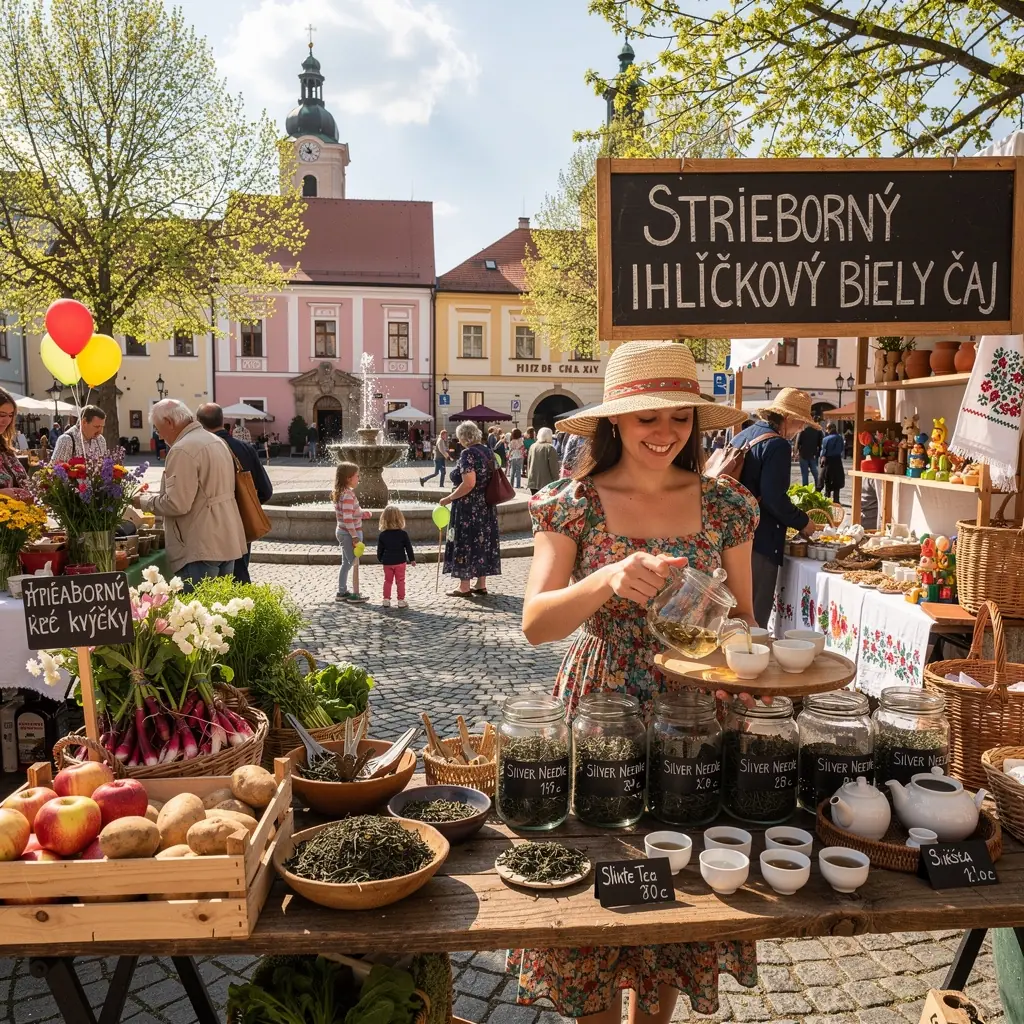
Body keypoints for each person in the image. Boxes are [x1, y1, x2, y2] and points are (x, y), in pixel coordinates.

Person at [518, 341, 756, 1024]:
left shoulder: (727, 504)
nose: (665, 432)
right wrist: (606, 579)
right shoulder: (574, 504)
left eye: (680, 417)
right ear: (615, 421)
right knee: (599, 876)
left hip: (695, 708)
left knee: (676, 885)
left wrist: (741, 660)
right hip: (601, 702)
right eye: (648, 417)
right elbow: (536, 624)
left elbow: (746, 617)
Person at [136, 399, 247, 590]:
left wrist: (142, 501)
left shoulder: (183, 448)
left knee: (196, 607)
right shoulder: (216, 440)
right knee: (220, 606)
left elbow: (177, 504)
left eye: (158, 429)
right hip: (226, 538)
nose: (159, 436)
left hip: (199, 543)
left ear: (169, 422)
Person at [731, 388, 817, 628]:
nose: (802, 428)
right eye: (800, 422)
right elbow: (774, 498)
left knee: (734, 612)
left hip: (734, 534)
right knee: (754, 615)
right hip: (760, 538)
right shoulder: (778, 444)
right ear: (787, 418)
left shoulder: (745, 434)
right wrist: (803, 522)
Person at [196, 403, 273, 584]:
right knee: (240, 575)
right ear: (222, 419)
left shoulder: (201, 450)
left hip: (210, 525)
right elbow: (266, 491)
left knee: (213, 584)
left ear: (199, 422)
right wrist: (246, 505)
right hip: (242, 521)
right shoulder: (245, 448)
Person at [439, 420, 500, 597]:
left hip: (469, 508)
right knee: (482, 542)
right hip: (486, 506)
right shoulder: (488, 452)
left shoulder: (468, 454)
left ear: (464, 438)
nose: (459, 441)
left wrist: (449, 498)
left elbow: (469, 483)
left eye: (459, 438)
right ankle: (481, 584)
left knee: (465, 542)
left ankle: (464, 586)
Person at [333, 461, 371, 603]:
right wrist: (354, 536)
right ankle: (355, 594)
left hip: (342, 531)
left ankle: (342, 592)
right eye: (357, 476)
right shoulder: (348, 495)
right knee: (353, 562)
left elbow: (348, 513)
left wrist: (361, 513)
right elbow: (347, 518)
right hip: (349, 534)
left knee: (346, 563)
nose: (358, 478)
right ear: (348, 478)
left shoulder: (340, 493)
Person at [377, 504, 416, 608]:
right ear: (400, 518)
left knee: (387, 581)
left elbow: (380, 550)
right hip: (400, 561)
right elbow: (408, 548)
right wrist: (412, 559)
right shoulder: (403, 534)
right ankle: (401, 600)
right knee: (400, 581)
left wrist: (381, 559)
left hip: (387, 562)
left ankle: (386, 599)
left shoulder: (383, 535)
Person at [0, 388, 32, 502]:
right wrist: (2, 494)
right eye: (2, 415)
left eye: (10, 415)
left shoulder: (4, 446)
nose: (6, 421)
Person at [526, 427, 559, 495]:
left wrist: (528, 476)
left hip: (533, 481)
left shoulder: (533, 446)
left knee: (534, 500)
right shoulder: (550, 448)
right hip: (546, 483)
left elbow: (529, 463)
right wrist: (557, 481)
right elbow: (554, 468)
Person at [820, 422, 846, 503]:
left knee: (827, 479)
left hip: (828, 461)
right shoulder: (840, 438)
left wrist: (822, 459)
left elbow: (823, 451)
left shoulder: (825, 439)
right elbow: (842, 448)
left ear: (829, 429)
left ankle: (827, 498)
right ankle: (836, 500)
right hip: (837, 460)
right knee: (837, 480)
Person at [796, 420, 824, 489]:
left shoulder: (803, 431)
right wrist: (819, 454)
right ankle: (818, 487)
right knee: (815, 473)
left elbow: (798, 443)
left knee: (805, 474)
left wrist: (797, 451)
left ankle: (806, 490)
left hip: (803, 454)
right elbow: (820, 444)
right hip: (813, 455)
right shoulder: (818, 432)